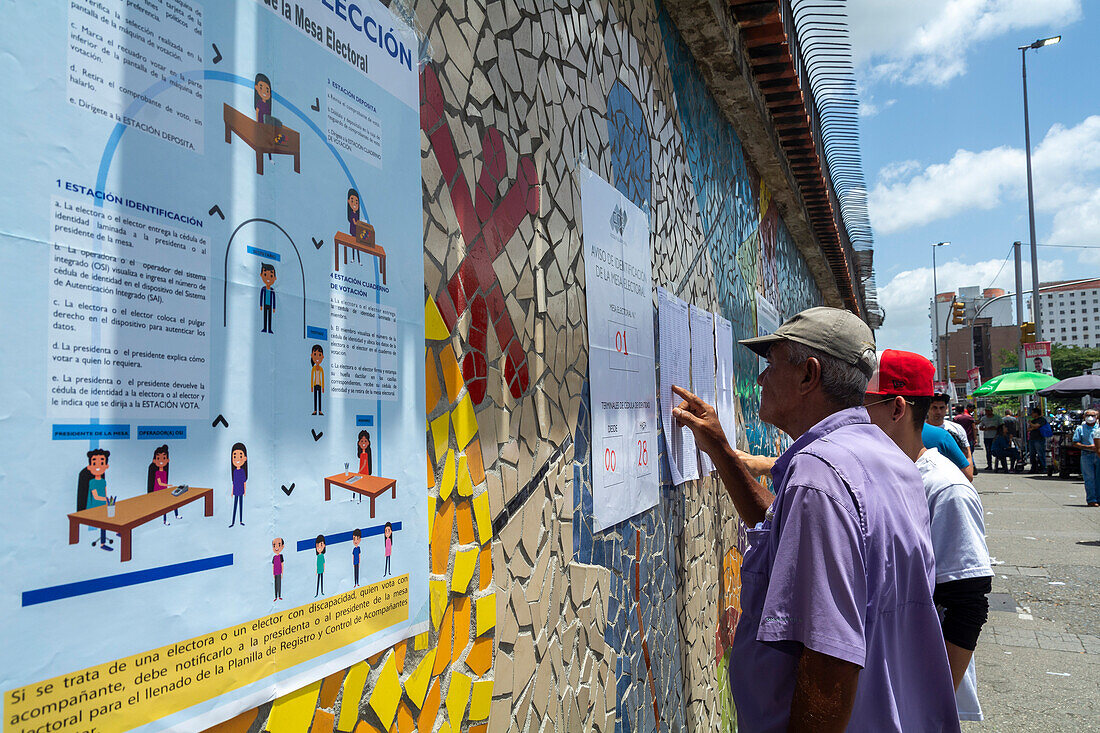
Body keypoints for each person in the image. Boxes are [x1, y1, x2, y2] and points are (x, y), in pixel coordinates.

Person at [671, 307, 960, 733]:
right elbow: (783, 531)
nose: (760, 379)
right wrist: (722, 451)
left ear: (809, 375)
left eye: (771, 365)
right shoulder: (887, 460)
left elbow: (830, 661)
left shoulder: (819, 477)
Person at [862, 350, 994, 722]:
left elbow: (967, 604)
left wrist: (930, 702)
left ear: (896, 409)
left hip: (916, 698)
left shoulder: (945, 487)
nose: (854, 415)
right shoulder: (879, 473)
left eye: (864, 403)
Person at [928, 393, 975, 479]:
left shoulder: (957, 429)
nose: (938, 412)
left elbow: (967, 454)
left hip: (954, 477)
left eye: (941, 408)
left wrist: (968, 474)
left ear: (946, 408)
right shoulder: (920, 430)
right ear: (928, 409)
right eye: (934, 408)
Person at [76, 449, 113, 551]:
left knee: (110, 518)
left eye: (102, 463)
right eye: (94, 463)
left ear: (106, 466)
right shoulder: (91, 482)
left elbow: (104, 493)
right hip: (94, 506)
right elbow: (96, 496)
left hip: (102, 505)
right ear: (89, 467)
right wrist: (105, 499)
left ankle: (115, 533)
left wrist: (107, 501)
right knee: (104, 523)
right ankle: (102, 543)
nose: (98, 466)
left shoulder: (103, 481)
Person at [1072, 409, 1100, 506]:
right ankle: (1092, 499)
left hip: (1098, 455)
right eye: (1088, 415)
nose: (1090, 418)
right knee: (1089, 478)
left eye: (1093, 415)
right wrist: (1088, 447)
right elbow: (1075, 443)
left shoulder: (1098, 428)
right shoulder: (1080, 429)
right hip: (1086, 455)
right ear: (1084, 417)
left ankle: (1098, 498)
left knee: (1098, 478)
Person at [146, 444, 179, 524]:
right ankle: (165, 520)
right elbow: (160, 483)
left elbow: (164, 481)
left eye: (164, 458)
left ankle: (176, 515)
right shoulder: (156, 471)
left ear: (167, 460)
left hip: (163, 492)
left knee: (175, 501)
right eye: (158, 458)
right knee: (165, 505)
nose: (161, 461)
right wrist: (169, 485)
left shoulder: (164, 471)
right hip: (157, 493)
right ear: (154, 460)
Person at [254, 72, 284, 146]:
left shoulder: (267, 105)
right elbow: (257, 114)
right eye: (261, 87)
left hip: (267, 125)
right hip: (262, 126)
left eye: (267, 90)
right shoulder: (259, 103)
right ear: (256, 87)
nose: (264, 91)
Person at [229, 443, 247, 527]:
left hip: (241, 490)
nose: (237, 459)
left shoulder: (242, 471)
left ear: (245, 458)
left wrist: (244, 491)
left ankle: (240, 521)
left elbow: (244, 482)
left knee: (241, 506)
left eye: (240, 456)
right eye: (234, 457)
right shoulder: (234, 472)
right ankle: (233, 522)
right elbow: (233, 482)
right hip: (236, 490)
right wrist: (232, 492)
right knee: (235, 506)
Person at [1027, 407, 1049, 472]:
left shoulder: (1042, 420)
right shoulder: (1033, 421)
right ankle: (1033, 467)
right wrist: (1034, 426)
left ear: (1036, 413)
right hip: (1032, 439)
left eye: (1032, 413)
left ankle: (1043, 467)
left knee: (1040, 453)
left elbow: (1037, 426)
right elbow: (1029, 429)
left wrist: (1031, 424)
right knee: (1032, 454)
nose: (1031, 414)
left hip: (1039, 439)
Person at [259, 264, 277, 334]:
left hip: (270, 305)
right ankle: (264, 327)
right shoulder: (263, 289)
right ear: (261, 275)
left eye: (271, 276)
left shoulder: (272, 290)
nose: (268, 278)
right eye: (265, 275)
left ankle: (269, 328)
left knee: (269, 317)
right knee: (265, 316)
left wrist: (274, 307)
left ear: (275, 278)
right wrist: (261, 305)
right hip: (265, 304)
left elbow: (274, 299)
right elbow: (261, 297)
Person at [310, 345, 325, 416]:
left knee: (320, 398)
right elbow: (312, 378)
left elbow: (323, 378)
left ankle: (320, 410)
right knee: (315, 398)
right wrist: (311, 386)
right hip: (315, 385)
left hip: (320, 385)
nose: (317, 357)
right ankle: (315, 410)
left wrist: (323, 387)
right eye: (315, 354)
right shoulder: (313, 369)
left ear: (322, 357)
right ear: (312, 355)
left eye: (319, 355)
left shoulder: (321, 369)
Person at [272, 537, 285, 602]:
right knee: (275, 585)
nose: (276, 547)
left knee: (279, 584)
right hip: (275, 572)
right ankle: (275, 596)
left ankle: (279, 596)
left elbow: (282, 565)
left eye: (279, 545)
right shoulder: (274, 557)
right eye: (274, 545)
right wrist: (273, 573)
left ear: (282, 546)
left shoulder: (281, 556)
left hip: (279, 572)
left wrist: (282, 573)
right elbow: (273, 565)